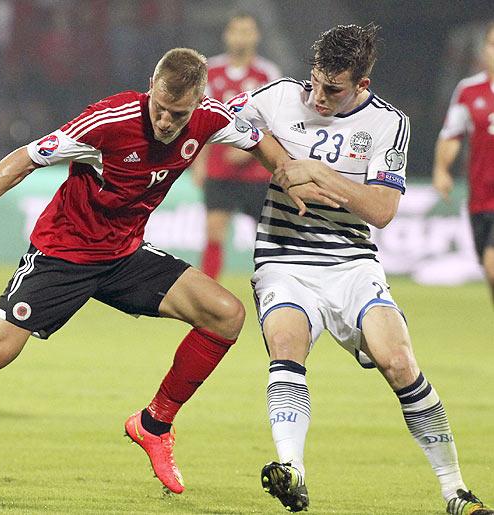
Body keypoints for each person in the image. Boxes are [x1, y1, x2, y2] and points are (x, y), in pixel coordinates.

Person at [0, 47, 343, 497]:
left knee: (225, 315)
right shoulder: (108, 121)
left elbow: (257, 139)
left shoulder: (210, 118)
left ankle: (154, 423)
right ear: (150, 88)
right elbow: (25, 158)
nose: (166, 121)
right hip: (63, 255)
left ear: (197, 105)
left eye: (177, 114)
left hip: (123, 256)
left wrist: (288, 174)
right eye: (160, 108)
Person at [232, 24, 493, 514]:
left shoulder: (388, 124)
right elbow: (222, 122)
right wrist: (282, 164)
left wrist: (320, 174)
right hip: (283, 257)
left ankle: (455, 490)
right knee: (286, 345)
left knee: (398, 362)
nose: (318, 96)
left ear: (362, 86)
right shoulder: (282, 96)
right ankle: (291, 469)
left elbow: (382, 210)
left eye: (333, 89)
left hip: (352, 263)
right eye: (315, 81)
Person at [192, 12, 282, 279]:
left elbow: (276, 121)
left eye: (247, 31)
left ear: (256, 36)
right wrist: (199, 164)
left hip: (257, 171)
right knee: (214, 232)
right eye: (236, 30)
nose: (241, 36)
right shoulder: (211, 71)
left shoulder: (267, 72)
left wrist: (248, 148)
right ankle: (207, 296)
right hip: (220, 170)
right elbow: (201, 119)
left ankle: (279, 284)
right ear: (227, 35)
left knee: (269, 235)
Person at [433, 21, 494, 306]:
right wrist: (441, 170)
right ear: (483, 50)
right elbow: (452, 135)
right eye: (492, 44)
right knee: (488, 268)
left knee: (493, 263)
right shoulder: (469, 90)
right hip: (480, 197)